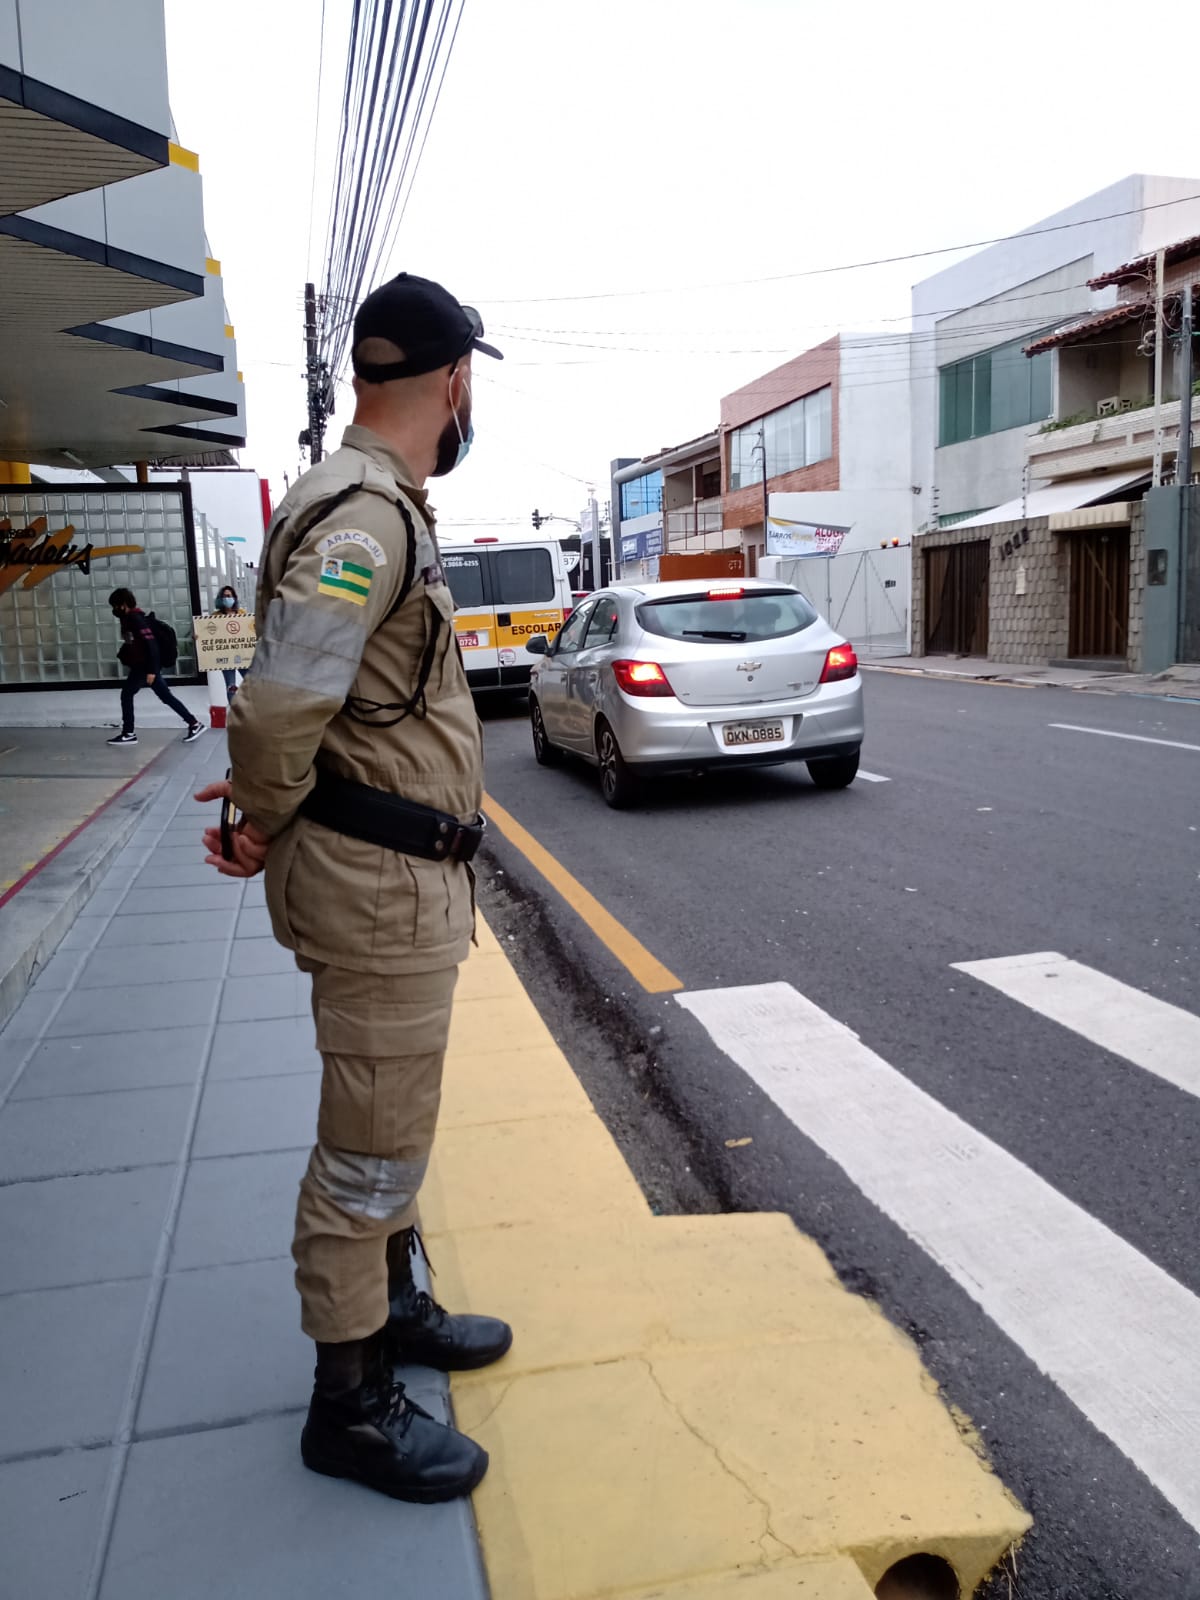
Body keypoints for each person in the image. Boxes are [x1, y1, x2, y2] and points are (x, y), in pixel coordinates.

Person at [194, 273, 510, 1506]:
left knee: (394, 1119)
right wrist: (259, 811)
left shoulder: (371, 504)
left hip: (395, 878)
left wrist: (262, 809)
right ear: (454, 380)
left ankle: (396, 1303)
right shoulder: (367, 525)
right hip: (378, 887)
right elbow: (285, 699)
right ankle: (352, 1403)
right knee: (368, 1148)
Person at [107, 588, 204, 747]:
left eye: (116, 606)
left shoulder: (135, 619)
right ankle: (194, 723)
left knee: (127, 695)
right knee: (165, 696)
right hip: (145, 666)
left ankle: (129, 733)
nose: (114, 609)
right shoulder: (130, 619)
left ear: (123, 604)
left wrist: (152, 670)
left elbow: (151, 645)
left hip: (144, 667)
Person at [213, 584, 247, 703]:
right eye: (224, 596)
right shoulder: (215, 616)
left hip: (242, 654)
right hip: (226, 657)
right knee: (231, 686)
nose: (227, 598)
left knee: (251, 683)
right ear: (220, 599)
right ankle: (234, 710)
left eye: (229, 596)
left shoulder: (242, 613)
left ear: (234, 598)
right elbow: (207, 633)